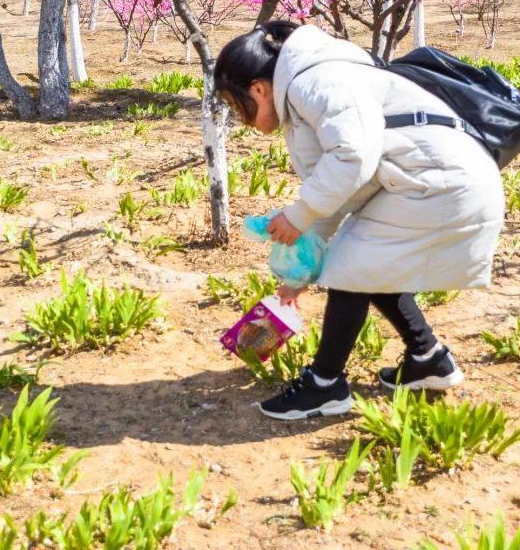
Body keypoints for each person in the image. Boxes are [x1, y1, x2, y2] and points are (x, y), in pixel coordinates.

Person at [214, 21, 504, 420]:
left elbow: (353, 156)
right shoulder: (307, 87)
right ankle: (428, 359)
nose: (240, 118)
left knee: (353, 263)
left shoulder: (313, 82)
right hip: (433, 179)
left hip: (439, 181)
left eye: (236, 105)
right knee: (368, 262)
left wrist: (297, 216)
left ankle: (325, 384)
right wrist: (299, 270)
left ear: (258, 89)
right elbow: (336, 193)